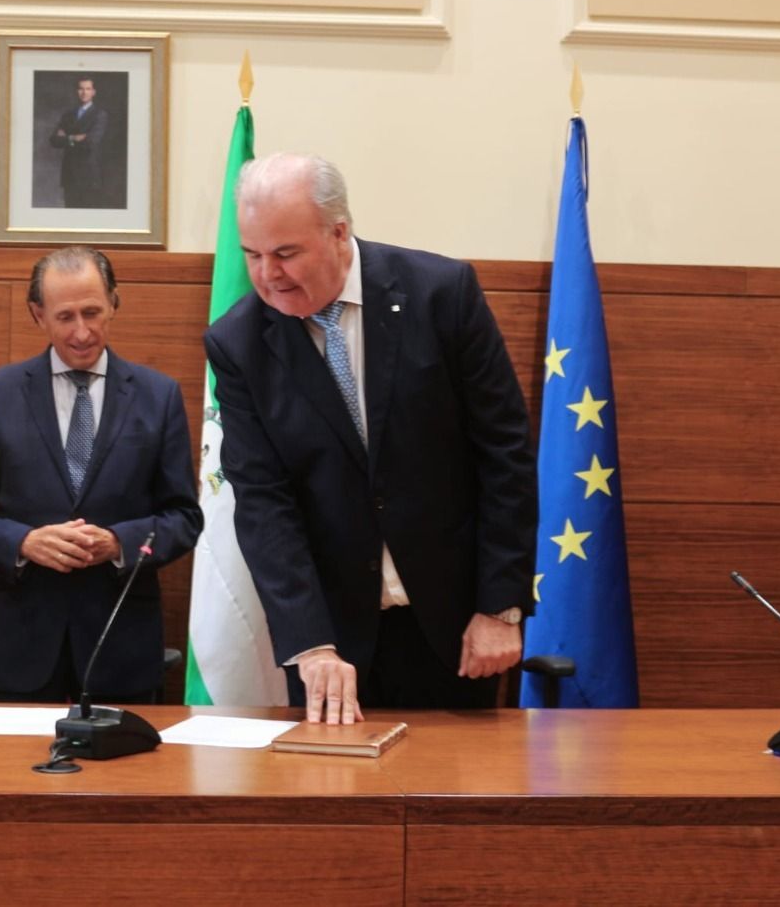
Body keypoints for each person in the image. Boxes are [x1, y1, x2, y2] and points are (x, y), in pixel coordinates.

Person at [203, 153, 537, 724]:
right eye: (252, 255)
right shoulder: (238, 343)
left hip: (458, 628)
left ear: (339, 232)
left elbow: (504, 453)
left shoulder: (441, 294)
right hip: (332, 643)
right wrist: (310, 643)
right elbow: (263, 502)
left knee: (459, 777)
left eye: (285, 253)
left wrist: (500, 607)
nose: (268, 274)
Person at [0, 246, 202, 702]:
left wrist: (118, 543)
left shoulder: (158, 396)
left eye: (92, 312)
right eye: (65, 317)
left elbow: (184, 517)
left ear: (114, 304)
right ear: (38, 314)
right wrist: (24, 542)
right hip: (21, 643)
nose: (82, 332)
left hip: (120, 644)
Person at [48, 76, 109, 207]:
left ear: (93, 92)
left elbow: (91, 143)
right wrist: (73, 138)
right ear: (76, 91)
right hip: (69, 174)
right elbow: (54, 140)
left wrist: (66, 138)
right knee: (70, 212)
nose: (84, 92)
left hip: (89, 175)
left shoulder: (99, 115)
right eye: (81, 89)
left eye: (88, 89)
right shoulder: (68, 115)